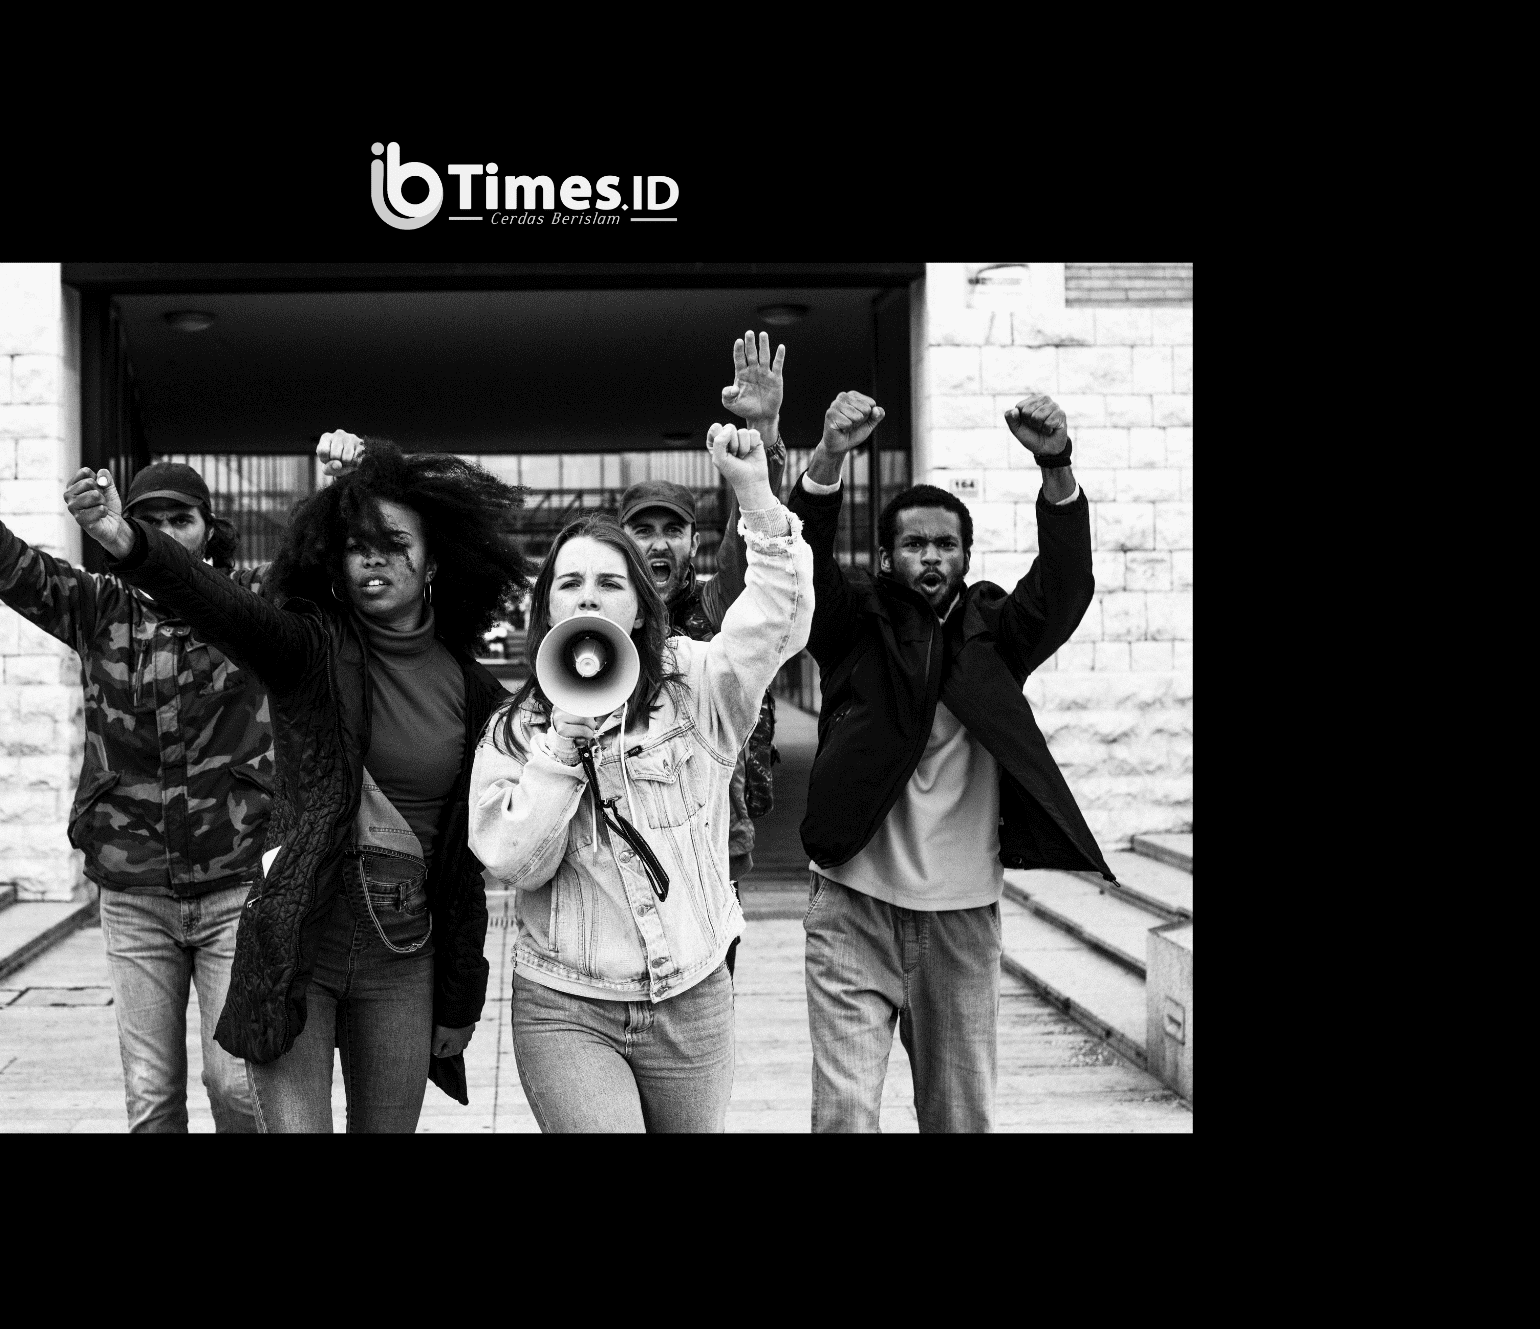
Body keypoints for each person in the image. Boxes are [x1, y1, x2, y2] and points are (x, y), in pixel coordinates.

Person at [67, 432, 526, 1133]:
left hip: (405, 959)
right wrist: (126, 541)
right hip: (298, 950)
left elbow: (463, 868)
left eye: (395, 544)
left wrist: (461, 999)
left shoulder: (473, 692)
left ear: (434, 562)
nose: (374, 557)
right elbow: (215, 599)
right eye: (357, 544)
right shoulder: (307, 649)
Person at [469, 423, 812, 1133]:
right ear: (547, 606)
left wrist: (754, 491)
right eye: (569, 583)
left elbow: (780, 619)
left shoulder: (697, 683)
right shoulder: (515, 729)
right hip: (566, 1004)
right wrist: (561, 746)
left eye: (609, 582)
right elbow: (513, 861)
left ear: (638, 603)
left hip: (693, 994)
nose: (589, 597)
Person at [789, 390, 1116, 1134]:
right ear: (886, 557)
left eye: (945, 545)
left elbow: (1066, 586)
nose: (931, 556)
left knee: (959, 1118)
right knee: (843, 1115)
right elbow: (801, 567)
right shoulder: (853, 627)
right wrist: (829, 456)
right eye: (914, 545)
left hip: (961, 921)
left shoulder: (996, 633)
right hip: (852, 907)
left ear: (966, 558)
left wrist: (1056, 465)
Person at [0, 430, 268, 1134]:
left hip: (236, 884)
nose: (166, 533)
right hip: (134, 890)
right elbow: (4, 563)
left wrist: (351, 485)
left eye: (181, 519)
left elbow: (325, 573)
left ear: (210, 529)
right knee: (151, 1096)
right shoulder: (97, 605)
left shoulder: (249, 606)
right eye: (150, 520)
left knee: (236, 1085)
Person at [617, 329, 790, 977]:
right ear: (621, 539)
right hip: (620, 844)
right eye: (643, 529)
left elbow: (754, 543)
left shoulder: (717, 609)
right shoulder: (595, 628)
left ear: (693, 542)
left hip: (713, 842)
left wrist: (763, 434)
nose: (658, 544)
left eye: (673, 529)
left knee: (709, 999)